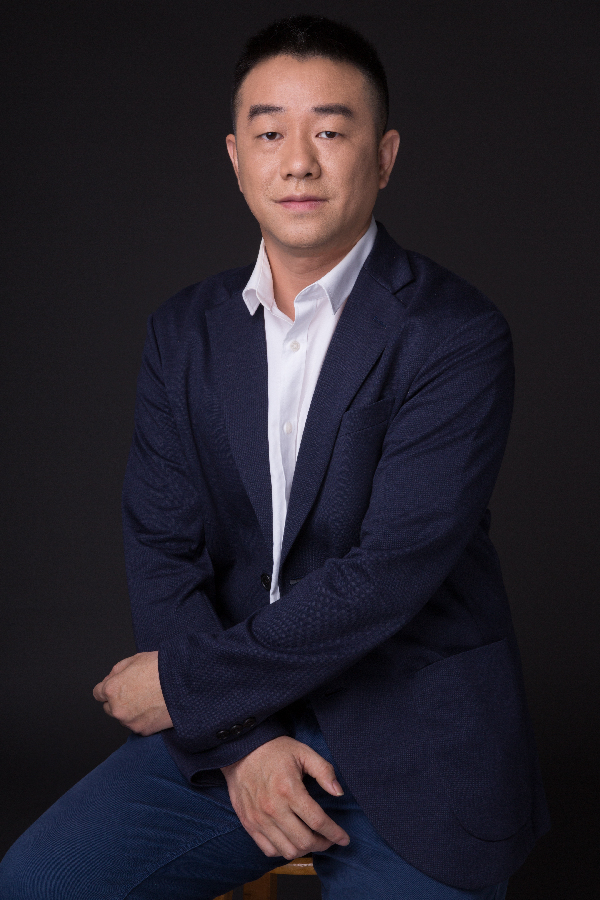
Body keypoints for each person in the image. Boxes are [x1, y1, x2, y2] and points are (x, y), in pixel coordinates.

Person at [0, 14, 549, 900]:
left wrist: (184, 685)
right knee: (35, 884)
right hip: (238, 725)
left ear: (385, 156)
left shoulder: (456, 333)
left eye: (330, 132)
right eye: (269, 134)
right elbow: (162, 548)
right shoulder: (184, 331)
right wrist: (241, 742)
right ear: (235, 157)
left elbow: (386, 575)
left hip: (415, 738)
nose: (298, 162)